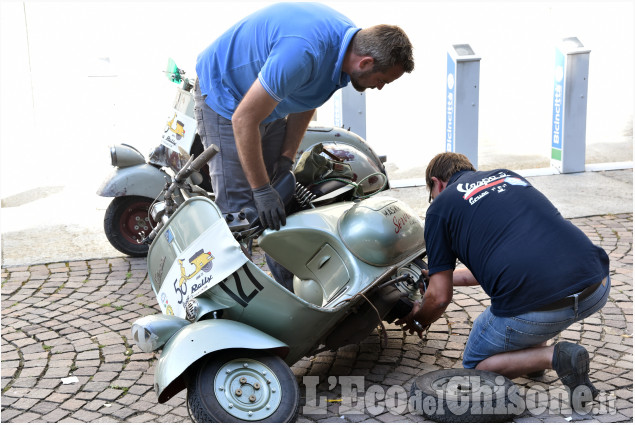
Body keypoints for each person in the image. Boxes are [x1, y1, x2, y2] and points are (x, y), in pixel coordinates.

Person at [193, 2, 413, 290]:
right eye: (382, 80)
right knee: (240, 217)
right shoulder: (304, 52)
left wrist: (285, 160)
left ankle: (293, 295)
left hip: (266, 104)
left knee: (281, 202)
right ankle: (228, 307)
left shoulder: (346, 51)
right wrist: (260, 189)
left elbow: (307, 100)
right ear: (366, 63)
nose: (380, 87)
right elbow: (244, 119)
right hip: (227, 100)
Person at [397, 152, 610, 407]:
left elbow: (439, 297)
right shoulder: (508, 177)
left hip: (541, 305)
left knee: (476, 366)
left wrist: (420, 319)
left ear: (437, 183)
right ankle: (532, 359)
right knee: (534, 287)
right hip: (595, 285)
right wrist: (444, 277)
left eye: (431, 192)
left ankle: (554, 357)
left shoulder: (439, 209)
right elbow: (499, 261)